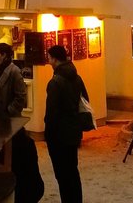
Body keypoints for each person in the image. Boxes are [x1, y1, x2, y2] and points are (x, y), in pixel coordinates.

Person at [0, 43, 43, 203]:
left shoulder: (14, 72)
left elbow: (20, 97)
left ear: (6, 55)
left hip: (7, 119)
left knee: (10, 149)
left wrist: (8, 111)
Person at [44, 44, 86, 203]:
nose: (48, 61)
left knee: (62, 174)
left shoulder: (55, 82)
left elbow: (52, 113)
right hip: (73, 131)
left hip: (59, 135)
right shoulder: (77, 77)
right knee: (72, 172)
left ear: (54, 59)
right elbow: (84, 101)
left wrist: (48, 135)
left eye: (49, 58)